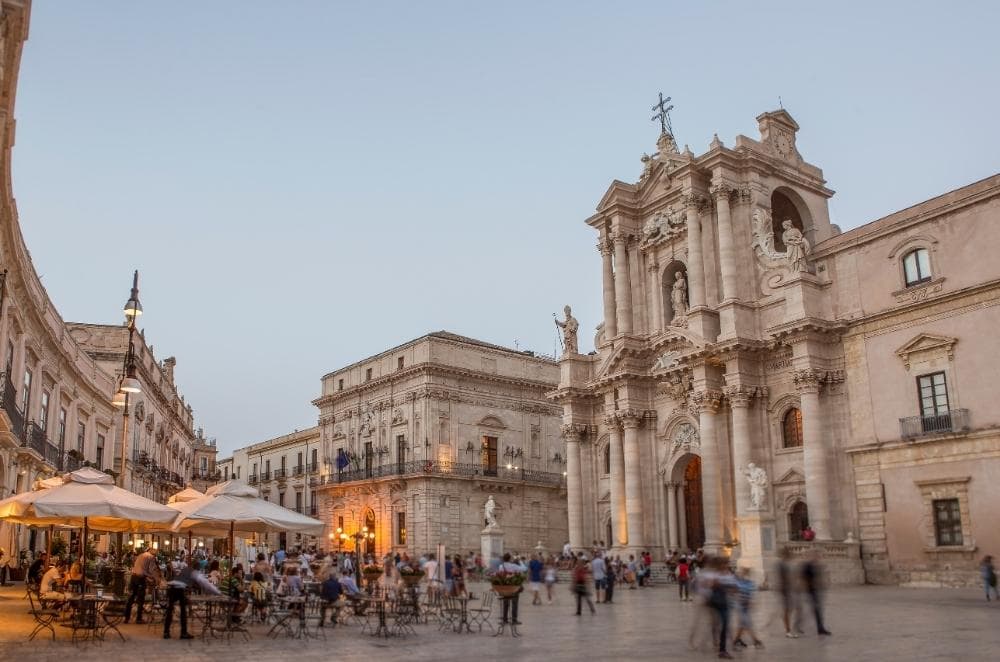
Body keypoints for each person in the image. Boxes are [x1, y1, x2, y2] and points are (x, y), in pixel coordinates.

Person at [163, 555, 207, 639]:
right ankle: (183, 633)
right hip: (178, 590)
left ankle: (166, 632)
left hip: (172, 588)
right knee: (183, 611)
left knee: (170, 610)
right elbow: (196, 584)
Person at [124, 546, 160, 624]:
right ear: (153, 552)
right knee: (141, 599)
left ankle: (126, 618)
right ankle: (139, 618)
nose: (155, 555)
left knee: (131, 598)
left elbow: (141, 568)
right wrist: (156, 579)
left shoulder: (141, 555)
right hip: (140, 579)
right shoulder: (151, 557)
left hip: (133, 577)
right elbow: (152, 570)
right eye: (155, 554)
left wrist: (148, 577)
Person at [732, 567, 764, 649]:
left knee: (743, 624)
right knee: (747, 623)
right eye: (743, 573)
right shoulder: (738, 582)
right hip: (739, 605)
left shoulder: (750, 583)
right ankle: (756, 640)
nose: (744, 575)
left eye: (746, 573)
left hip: (746, 606)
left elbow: (753, 593)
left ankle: (736, 640)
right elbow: (734, 593)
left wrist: (752, 602)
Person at [801, 551, 831, 636]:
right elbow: (804, 579)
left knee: (817, 611)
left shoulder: (815, 566)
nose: (817, 558)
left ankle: (820, 628)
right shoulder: (806, 566)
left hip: (816, 591)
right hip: (811, 591)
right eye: (816, 556)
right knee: (812, 611)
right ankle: (798, 626)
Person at [776, 547, 800, 638]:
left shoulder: (788, 564)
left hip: (791, 589)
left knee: (792, 609)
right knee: (787, 610)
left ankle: (791, 628)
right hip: (785, 590)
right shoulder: (781, 564)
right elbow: (782, 578)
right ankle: (788, 630)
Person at [498, 553, 526, 625]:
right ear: (510, 559)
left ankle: (505, 619)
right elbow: (524, 568)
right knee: (514, 603)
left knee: (505, 603)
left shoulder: (501, 566)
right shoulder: (513, 566)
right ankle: (514, 619)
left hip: (505, 587)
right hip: (513, 587)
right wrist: (520, 561)